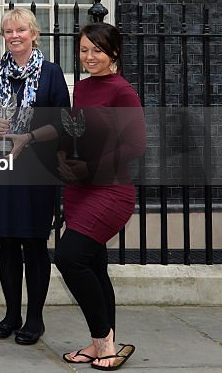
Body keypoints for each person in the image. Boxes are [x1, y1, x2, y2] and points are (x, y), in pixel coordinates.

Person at [0, 7, 69, 346]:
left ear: (33, 33)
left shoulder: (52, 74)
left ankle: (35, 318)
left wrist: (26, 136)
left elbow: (62, 122)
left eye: (20, 31)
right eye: (8, 32)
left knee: (34, 244)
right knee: (6, 243)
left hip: (36, 170)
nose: (14, 36)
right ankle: (12, 314)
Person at [54, 23, 144, 370]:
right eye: (84, 50)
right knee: (93, 265)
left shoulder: (123, 92)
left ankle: (105, 341)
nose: (89, 57)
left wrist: (90, 170)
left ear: (114, 53)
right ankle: (100, 343)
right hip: (77, 190)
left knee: (69, 257)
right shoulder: (83, 87)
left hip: (110, 190)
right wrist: (62, 158)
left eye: (97, 50)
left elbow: (135, 145)